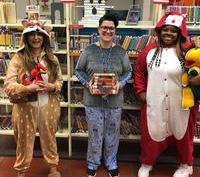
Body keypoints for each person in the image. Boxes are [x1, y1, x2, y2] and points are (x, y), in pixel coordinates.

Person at [134, 10, 199, 177]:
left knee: (184, 134)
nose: (169, 33)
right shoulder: (149, 50)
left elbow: (197, 69)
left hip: (181, 103)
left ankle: (186, 165)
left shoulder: (187, 51)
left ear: (179, 33)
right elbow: (139, 73)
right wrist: (141, 91)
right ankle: (147, 163)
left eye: (173, 30)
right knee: (151, 133)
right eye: (166, 29)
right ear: (160, 30)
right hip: (155, 100)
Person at [75, 14, 132, 177]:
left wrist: (120, 84)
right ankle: (93, 163)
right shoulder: (89, 50)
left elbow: (128, 71)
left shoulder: (121, 52)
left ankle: (111, 161)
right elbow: (78, 70)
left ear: (115, 31)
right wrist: (89, 84)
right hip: (92, 101)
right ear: (99, 29)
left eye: (111, 28)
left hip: (114, 100)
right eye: (104, 27)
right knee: (95, 132)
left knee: (112, 132)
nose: (108, 31)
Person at [4, 21, 63, 177]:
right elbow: (8, 85)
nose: (36, 37)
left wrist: (52, 86)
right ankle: (21, 172)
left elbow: (60, 82)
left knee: (50, 138)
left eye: (39, 34)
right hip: (24, 109)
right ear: (26, 37)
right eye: (32, 34)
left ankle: (53, 168)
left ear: (45, 37)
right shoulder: (18, 59)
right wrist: (26, 89)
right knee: (23, 141)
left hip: (48, 107)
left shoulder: (52, 59)